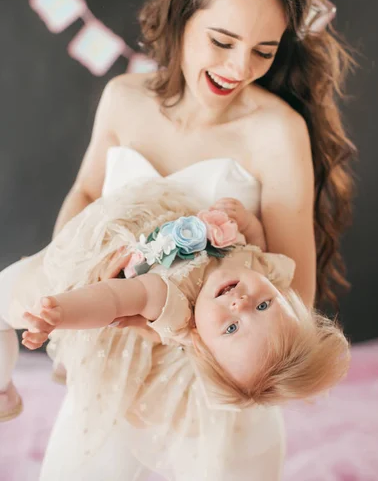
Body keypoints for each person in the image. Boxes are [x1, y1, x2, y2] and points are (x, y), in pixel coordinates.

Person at [0, 0, 355, 480]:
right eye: (223, 40)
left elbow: (297, 294)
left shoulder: (277, 131)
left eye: (264, 51)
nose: (240, 68)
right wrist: (72, 275)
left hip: (208, 389)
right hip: (110, 380)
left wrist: (173, 320)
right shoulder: (123, 98)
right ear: (185, 14)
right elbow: (88, 191)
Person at [1, 180, 349, 480]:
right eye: (264, 305)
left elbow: (113, 298)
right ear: (282, 294)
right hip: (153, 205)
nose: (240, 304)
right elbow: (255, 242)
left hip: (100, 248)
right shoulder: (260, 268)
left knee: (9, 292)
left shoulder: (177, 305)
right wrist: (246, 222)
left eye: (230, 328)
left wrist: (60, 312)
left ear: (200, 340)